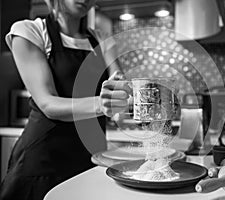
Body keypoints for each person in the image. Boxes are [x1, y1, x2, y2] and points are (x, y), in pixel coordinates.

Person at [0, 0, 130, 199]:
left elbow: (118, 82)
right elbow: (48, 103)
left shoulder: (103, 40)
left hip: (90, 159)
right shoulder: (29, 31)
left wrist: (123, 92)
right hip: (44, 161)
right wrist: (102, 104)